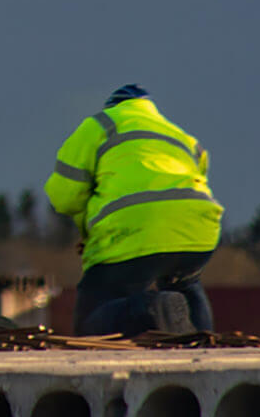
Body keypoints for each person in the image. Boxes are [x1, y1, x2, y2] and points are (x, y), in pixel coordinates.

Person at [45, 84, 220, 336]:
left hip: (135, 231)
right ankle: (205, 343)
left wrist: (87, 229)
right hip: (198, 233)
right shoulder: (179, 134)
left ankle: (150, 306)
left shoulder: (101, 125)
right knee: (186, 284)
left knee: (92, 318)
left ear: (113, 107)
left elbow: (63, 196)